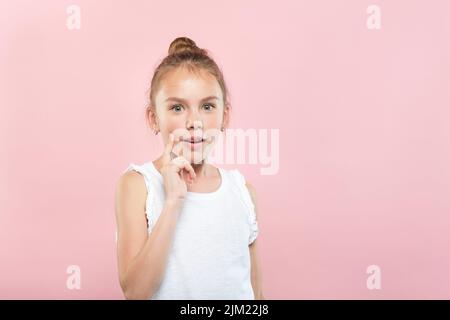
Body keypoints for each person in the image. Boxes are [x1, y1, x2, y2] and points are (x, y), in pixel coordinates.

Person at [115, 37, 265, 300]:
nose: (194, 122)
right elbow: (135, 293)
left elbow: (256, 294)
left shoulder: (242, 191)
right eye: (177, 107)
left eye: (207, 107)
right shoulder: (138, 185)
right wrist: (173, 201)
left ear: (224, 116)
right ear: (154, 118)